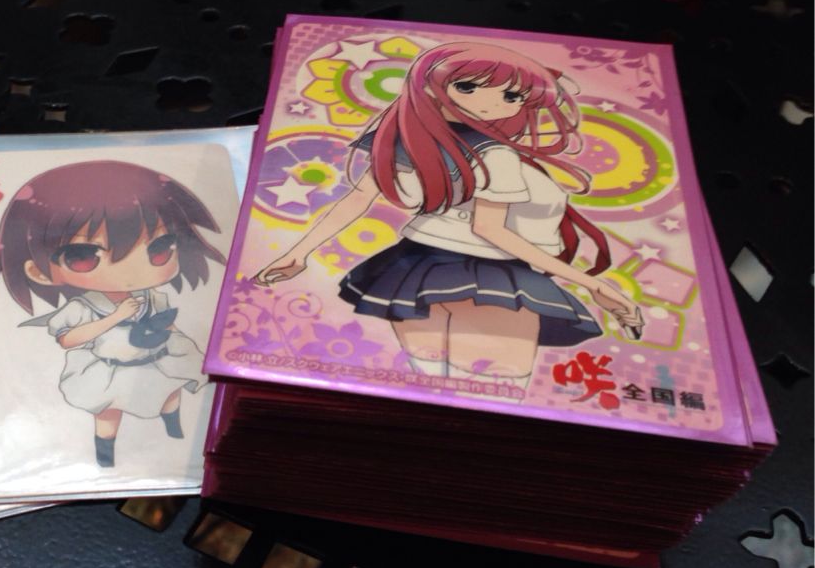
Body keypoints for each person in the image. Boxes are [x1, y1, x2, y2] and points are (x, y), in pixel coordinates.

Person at [256, 40, 641, 390]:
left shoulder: (404, 138)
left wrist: (299, 253)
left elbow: (357, 199)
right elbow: (490, 230)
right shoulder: (494, 154)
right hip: (494, 274)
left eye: (511, 96)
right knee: (493, 391)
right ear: (428, 85)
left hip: (412, 267)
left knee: (434, 385)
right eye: (468, 87)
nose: (490, 104)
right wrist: (591, 283)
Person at [0, 160, 226, 467]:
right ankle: (105, 460)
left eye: (159, 248)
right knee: (108, 415)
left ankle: (177, 438)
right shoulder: (82, 307)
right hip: (110, 370)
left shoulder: (153, 296)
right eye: (85, 256)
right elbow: (67, 340)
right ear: (39, 272)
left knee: (170, 397)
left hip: (157, 360)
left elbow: (167, 323)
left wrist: (180, 341)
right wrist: (114, 318)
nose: (132, 270)